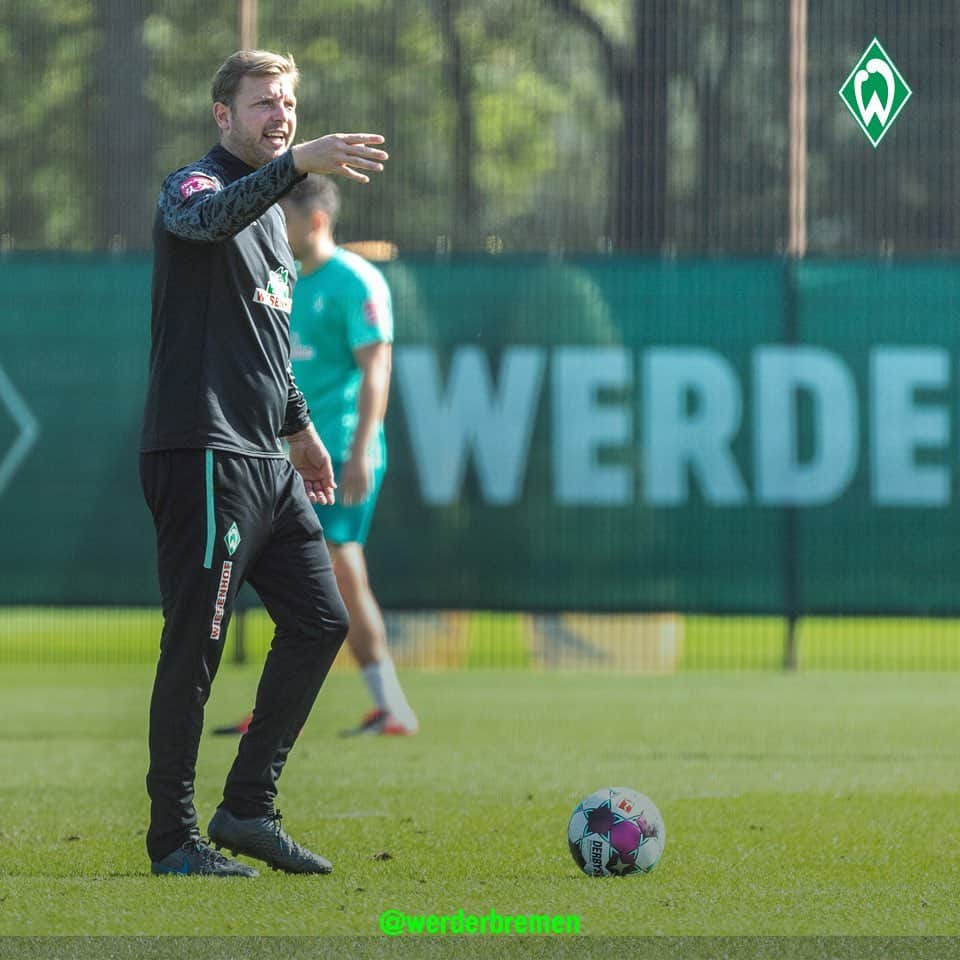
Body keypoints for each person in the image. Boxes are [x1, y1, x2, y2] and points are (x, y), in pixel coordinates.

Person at [139, 49, 388, 877]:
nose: (279, 114)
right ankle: (173, 839)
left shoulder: (278, 223)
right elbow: (205, 223)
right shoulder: (195, 187)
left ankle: (247, 808)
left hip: (269, 460)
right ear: (223, 116)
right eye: (261, 104)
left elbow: (269, 347)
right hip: (203, 451)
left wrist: (303, 430)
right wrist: (293, 164)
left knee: (321, 621)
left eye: (287, 102)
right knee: (196, 646)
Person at [217, 175, 417, 738]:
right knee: (303, 576)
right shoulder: (280, 281)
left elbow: (377, 369)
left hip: (338, 459)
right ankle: (287, 706)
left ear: (317, 220)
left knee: (340, 570)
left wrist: (359, 452)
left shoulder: (354, 281)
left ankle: (389, 705)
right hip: (280, 459)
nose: (275, 226)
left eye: (285, 216)